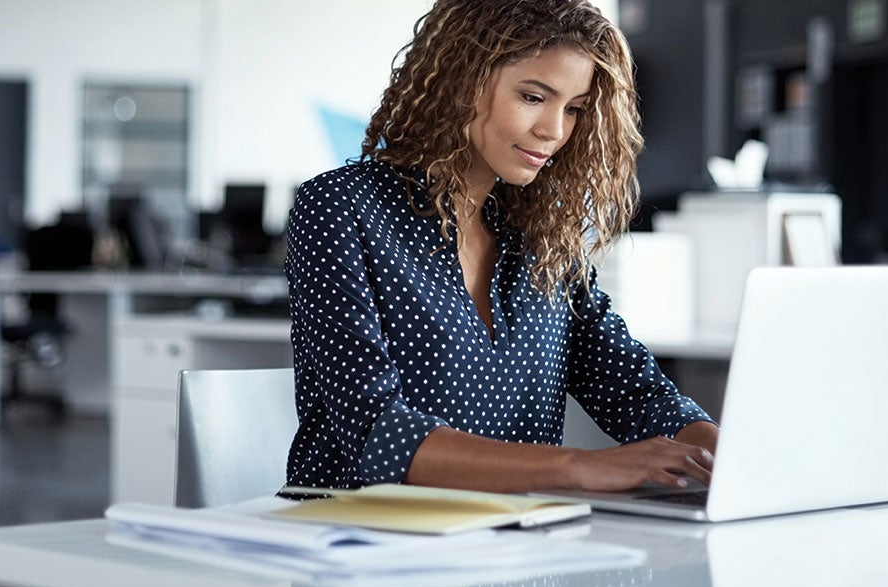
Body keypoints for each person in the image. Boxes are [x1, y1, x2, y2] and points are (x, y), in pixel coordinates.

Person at [285, 0, 719, 493]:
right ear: (460, 81)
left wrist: (718, 452)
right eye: (534, 97)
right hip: (360, 541)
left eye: (573, 109)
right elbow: (376, 435)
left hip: (515, 546)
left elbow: (630, 387)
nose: (554, 131)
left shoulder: (543, 233)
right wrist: (576, 466)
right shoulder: (340, 207)